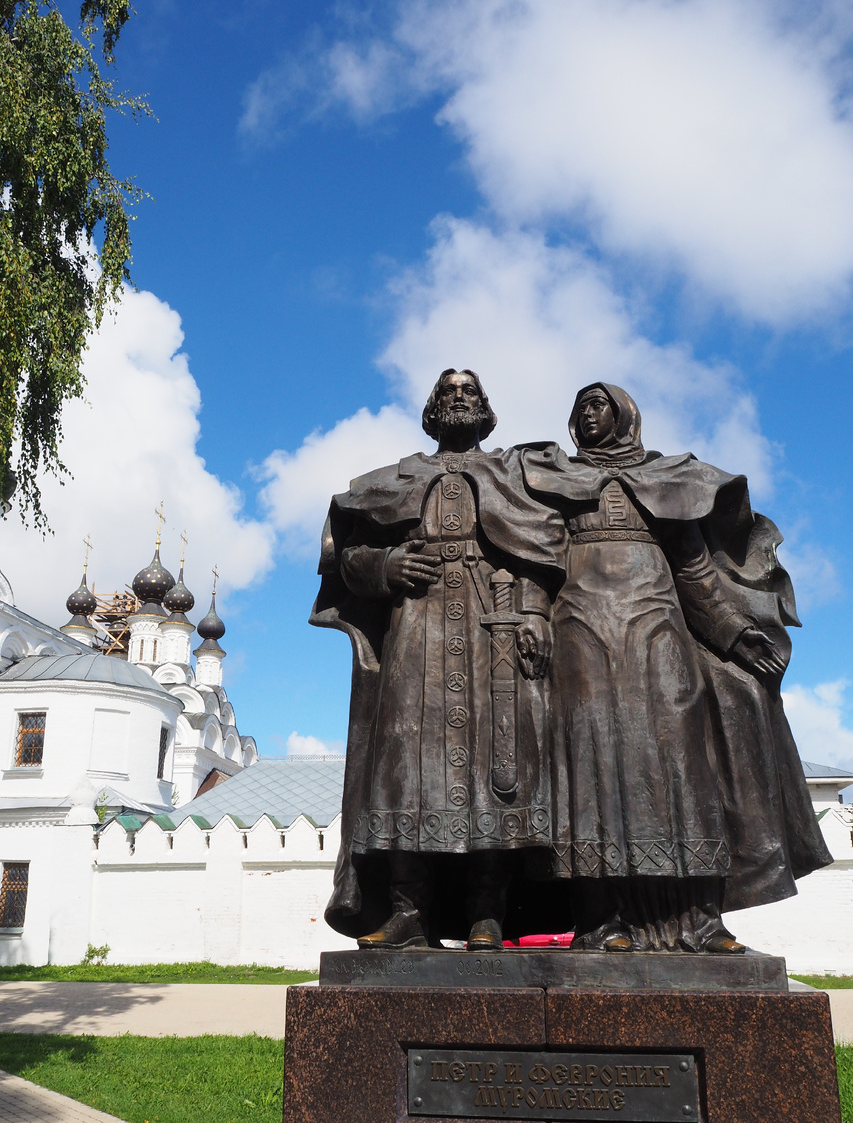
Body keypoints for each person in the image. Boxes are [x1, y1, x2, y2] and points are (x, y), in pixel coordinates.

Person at [520, 382, 832, 953]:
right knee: (590, 766)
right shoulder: (553, 478)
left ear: (625, 416)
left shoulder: (667, 480)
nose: (589, 414)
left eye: (600, 404)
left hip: (658, 628)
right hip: (581, 630)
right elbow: (534, 561)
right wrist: (533, 616)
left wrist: (735, 635)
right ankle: (602, 918)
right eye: (581, 406)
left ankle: (700, 918)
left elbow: (695, 573)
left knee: (682, 763)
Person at [312, 369, 569, 951]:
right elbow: (348, 556)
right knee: (407, 764)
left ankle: (488, 913)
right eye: (448, 390)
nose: (459, 396)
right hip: (417, 627)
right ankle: (408, 911)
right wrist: (383, 568)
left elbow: (541, 547)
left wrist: (532, 612)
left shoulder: (510, 475)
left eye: (470, 390)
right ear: (431, 409)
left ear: (485, 409)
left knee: (499, 766)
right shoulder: (400, 478)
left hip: (492, 627)